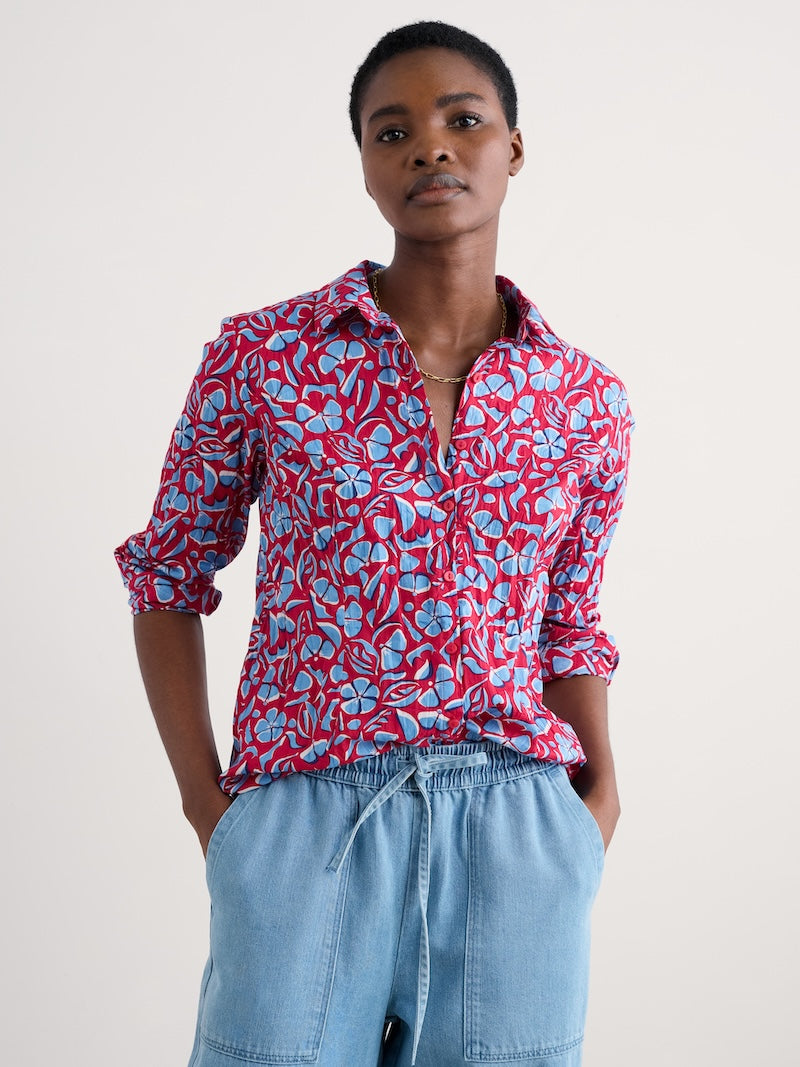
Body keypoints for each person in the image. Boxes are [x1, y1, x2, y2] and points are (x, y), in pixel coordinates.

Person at [115, 20, 635, 1067]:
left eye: (461, 121)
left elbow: (566, 622)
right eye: (391, 130)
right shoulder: (264, 355)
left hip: (516, 830)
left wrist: (595, 802)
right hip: (305, 820)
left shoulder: (584, 399)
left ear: (511, 148)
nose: (429, 148)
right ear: (363, 166)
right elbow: (167, 573)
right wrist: (210, 807)